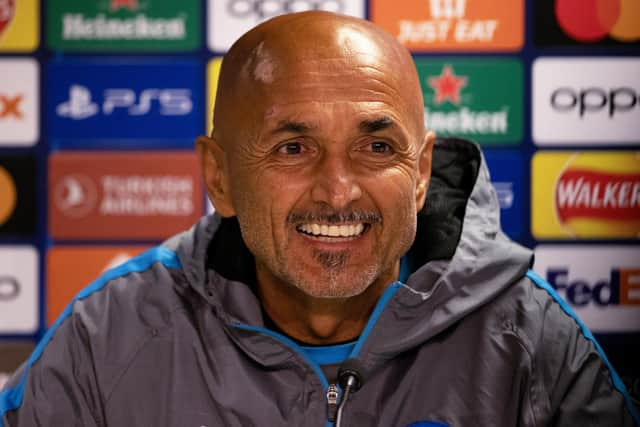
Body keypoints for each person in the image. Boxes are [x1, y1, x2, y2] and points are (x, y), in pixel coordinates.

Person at [1, 11, 638, 427]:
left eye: (377, 147)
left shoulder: (530, 339)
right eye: (293, 148)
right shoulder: (108, 336)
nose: (337, 193)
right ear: (220, 178)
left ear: (419, 175)